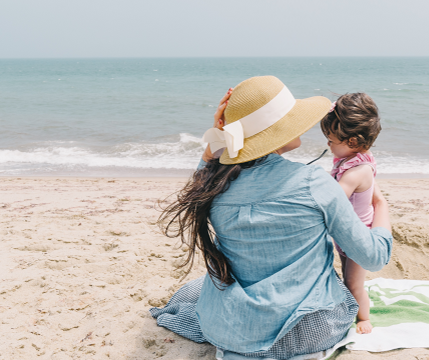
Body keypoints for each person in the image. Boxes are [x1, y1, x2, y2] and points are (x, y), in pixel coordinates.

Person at [150, 76, 393, 359]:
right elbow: (374, 257)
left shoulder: (213, 186)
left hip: (232, 328)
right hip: (309, 330)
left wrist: (215, 142)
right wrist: (381, 206)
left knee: (195, 291)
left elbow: (201, 177)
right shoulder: (313, 183)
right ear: (275, 132)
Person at [320, 92, 381, 334]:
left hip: (357, 239)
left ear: (353, 142)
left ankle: (363, 318)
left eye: (331, 140)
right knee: (348, 276)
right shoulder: (355, 159)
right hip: (346, 236)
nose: (328, 144)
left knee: (354, 284)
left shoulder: (356, 172)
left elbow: (333, 198)